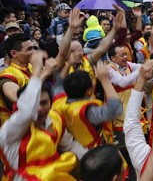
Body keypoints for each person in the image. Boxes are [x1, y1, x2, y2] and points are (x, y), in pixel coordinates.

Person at [0, 52, 87, 180]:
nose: (40, 109)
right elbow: (28, 110)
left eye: (44, 103)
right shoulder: (12, 127)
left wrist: (93, 159)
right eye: (36, 103)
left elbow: (70, 146)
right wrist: (39, 70)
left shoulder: (55, 119)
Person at [52, 61, 123, 149]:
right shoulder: (87, 111)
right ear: (89, 91)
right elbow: (116, 109)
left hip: (72, 149)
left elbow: (59, 82)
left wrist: (70, 62)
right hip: (95, 153)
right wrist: (105, 80)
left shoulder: (58, 100)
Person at [0, 33, 34, 125]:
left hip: (30, 126)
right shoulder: (7, 75)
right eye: (29, 49)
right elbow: (21, 99)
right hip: (12, 133)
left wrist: (71, 29)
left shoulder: (30, 67)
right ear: (14, 53)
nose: (34, 52)